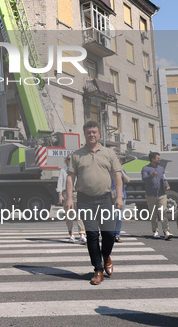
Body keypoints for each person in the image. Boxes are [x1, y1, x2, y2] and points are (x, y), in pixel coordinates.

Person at [66, 121, 124, 285]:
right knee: (91, 235)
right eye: (88, 132)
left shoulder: (108, 153)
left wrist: (119, 197)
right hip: (85, 200)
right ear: (84, 135)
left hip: (105, 199)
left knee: (109, 234)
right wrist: (69, 198)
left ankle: (106, 256)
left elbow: (117, 175)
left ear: (99, 134)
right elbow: (70, 177)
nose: (91, 135)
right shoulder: (77, 155)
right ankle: (98, 270)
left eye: (94, 132)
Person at [141, 152, 174, 240]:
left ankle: (166, 231)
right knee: (153, 214)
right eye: (158, 158)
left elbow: (164, 179)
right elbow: (144, 179)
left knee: (163, 212)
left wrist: (167, 185)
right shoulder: (146, 168)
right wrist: (151, 176)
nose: (160, 159)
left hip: (162, 194)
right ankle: (155, 231)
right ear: (153, 159)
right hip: (150, 195)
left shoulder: (161, 169)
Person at [56, 154, 86, 244]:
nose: (70, 161)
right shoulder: (63, 170)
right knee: (69, 216)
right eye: (69, 159)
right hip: (66, 194)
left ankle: (82, 235)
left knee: (79, 214)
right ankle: (71, 235)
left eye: (72, 159)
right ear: (66, 160)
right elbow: (60, 182)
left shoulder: (78, 170)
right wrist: (60, 194)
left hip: (76, 193)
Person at [112, 162, 130, 243]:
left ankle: (117, 235)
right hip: (111, 196)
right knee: (114, 215)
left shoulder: (122, 171)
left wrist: (121, 170)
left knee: (120, 217)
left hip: (122, 196)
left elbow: (127, 180)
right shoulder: (109, 171)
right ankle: (111, 234)